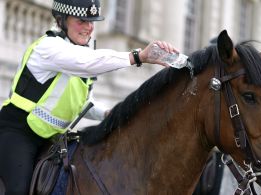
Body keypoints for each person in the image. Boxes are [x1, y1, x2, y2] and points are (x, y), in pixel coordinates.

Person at [0, 0, 178, 194]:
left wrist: (108, 114)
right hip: (17, 131)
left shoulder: (83, 50)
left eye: (92, 21)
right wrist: (138, 56)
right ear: (61, 20)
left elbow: (82, 103)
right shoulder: (49, 47)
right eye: (82, 20)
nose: (89, 27)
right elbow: (87, 63)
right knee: (19, 190)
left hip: (52, 138)